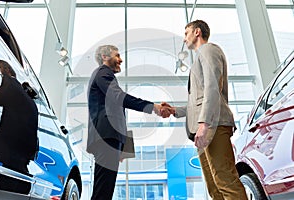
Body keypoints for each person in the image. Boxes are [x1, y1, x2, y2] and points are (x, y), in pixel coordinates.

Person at [162, 20, 248, 200]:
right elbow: (198, 101)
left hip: (213, 125)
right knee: (214, 186)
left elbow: (212, 88)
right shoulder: (200, 57)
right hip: (205, 129)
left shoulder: (208, 50)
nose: (184, 39)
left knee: (225, 181)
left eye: (186, 33)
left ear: (197, 32)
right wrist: (175, 111)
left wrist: (204, 123)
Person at [87, 45, 168, 200]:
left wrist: (123, 146)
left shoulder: (104, 75)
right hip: (106, 137)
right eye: (117, 55)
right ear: (104, 57)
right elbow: (120, 98)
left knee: (105, 188)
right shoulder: (103, 73)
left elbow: (116, 111)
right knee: (103, 190)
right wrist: (154, 107)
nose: (121, 59)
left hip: (109, 137)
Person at [0, 60, 38, 194]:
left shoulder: (11, 86)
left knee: (9, 184)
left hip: (11, 148)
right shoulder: (30, 103)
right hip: (23, 152)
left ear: (7, 72)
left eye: (1, 70)